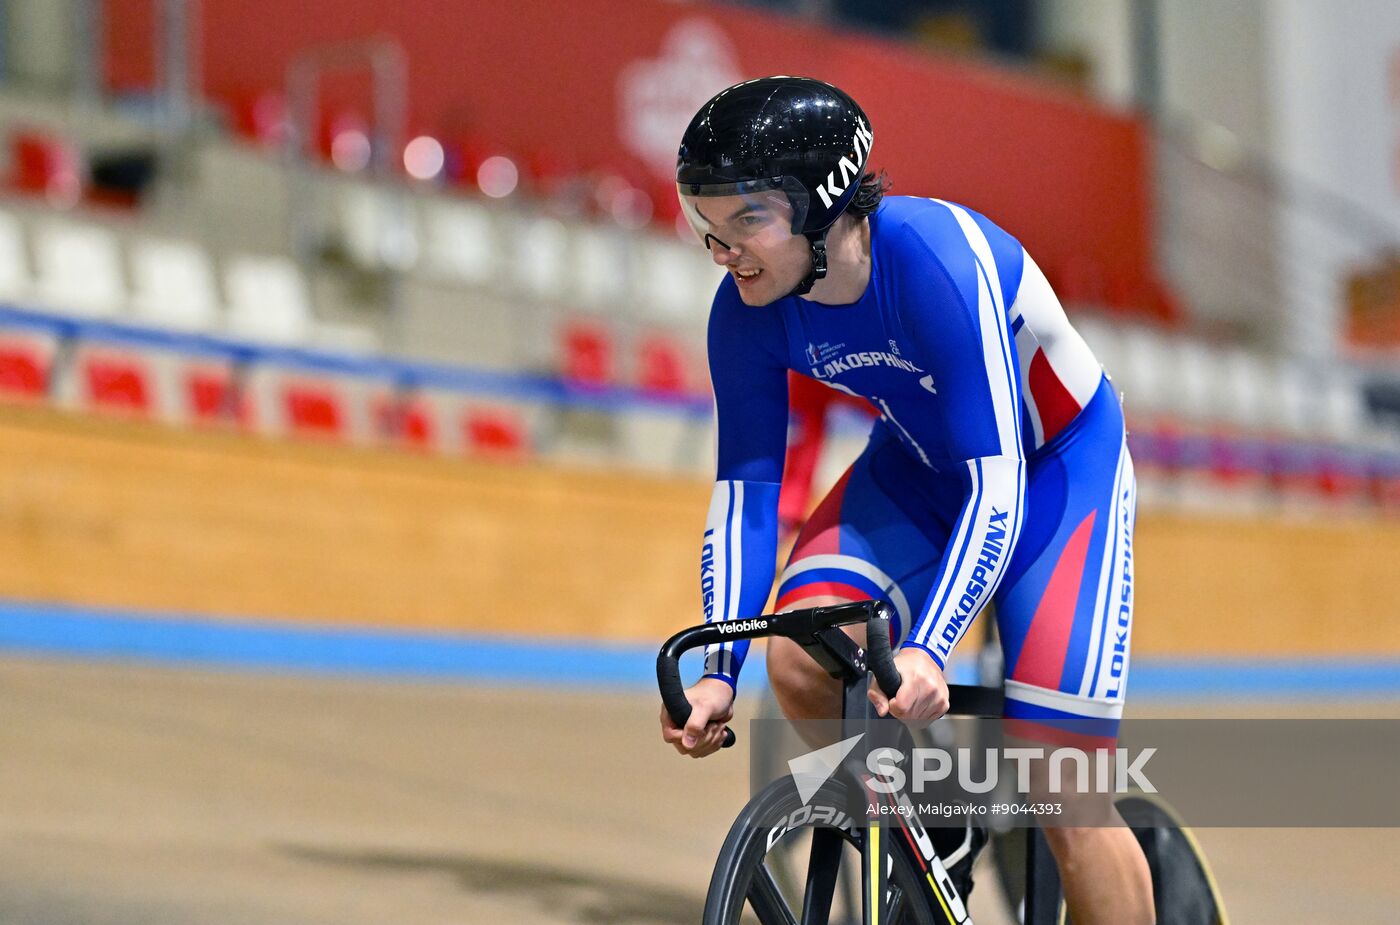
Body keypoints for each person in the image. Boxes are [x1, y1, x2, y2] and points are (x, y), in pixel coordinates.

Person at [656, 76, 1151, 923]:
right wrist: (716, 671)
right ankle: (939, 818)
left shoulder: (935, 259)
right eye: (708, 224)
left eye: (747, 221)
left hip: (1055, 476)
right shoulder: (744, 313)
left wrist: (929, 646)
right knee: (803, 658)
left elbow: (998, 482)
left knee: (1060, 786)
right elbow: (745, 494)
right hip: (919, 467)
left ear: (822, 206)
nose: (723, 250)